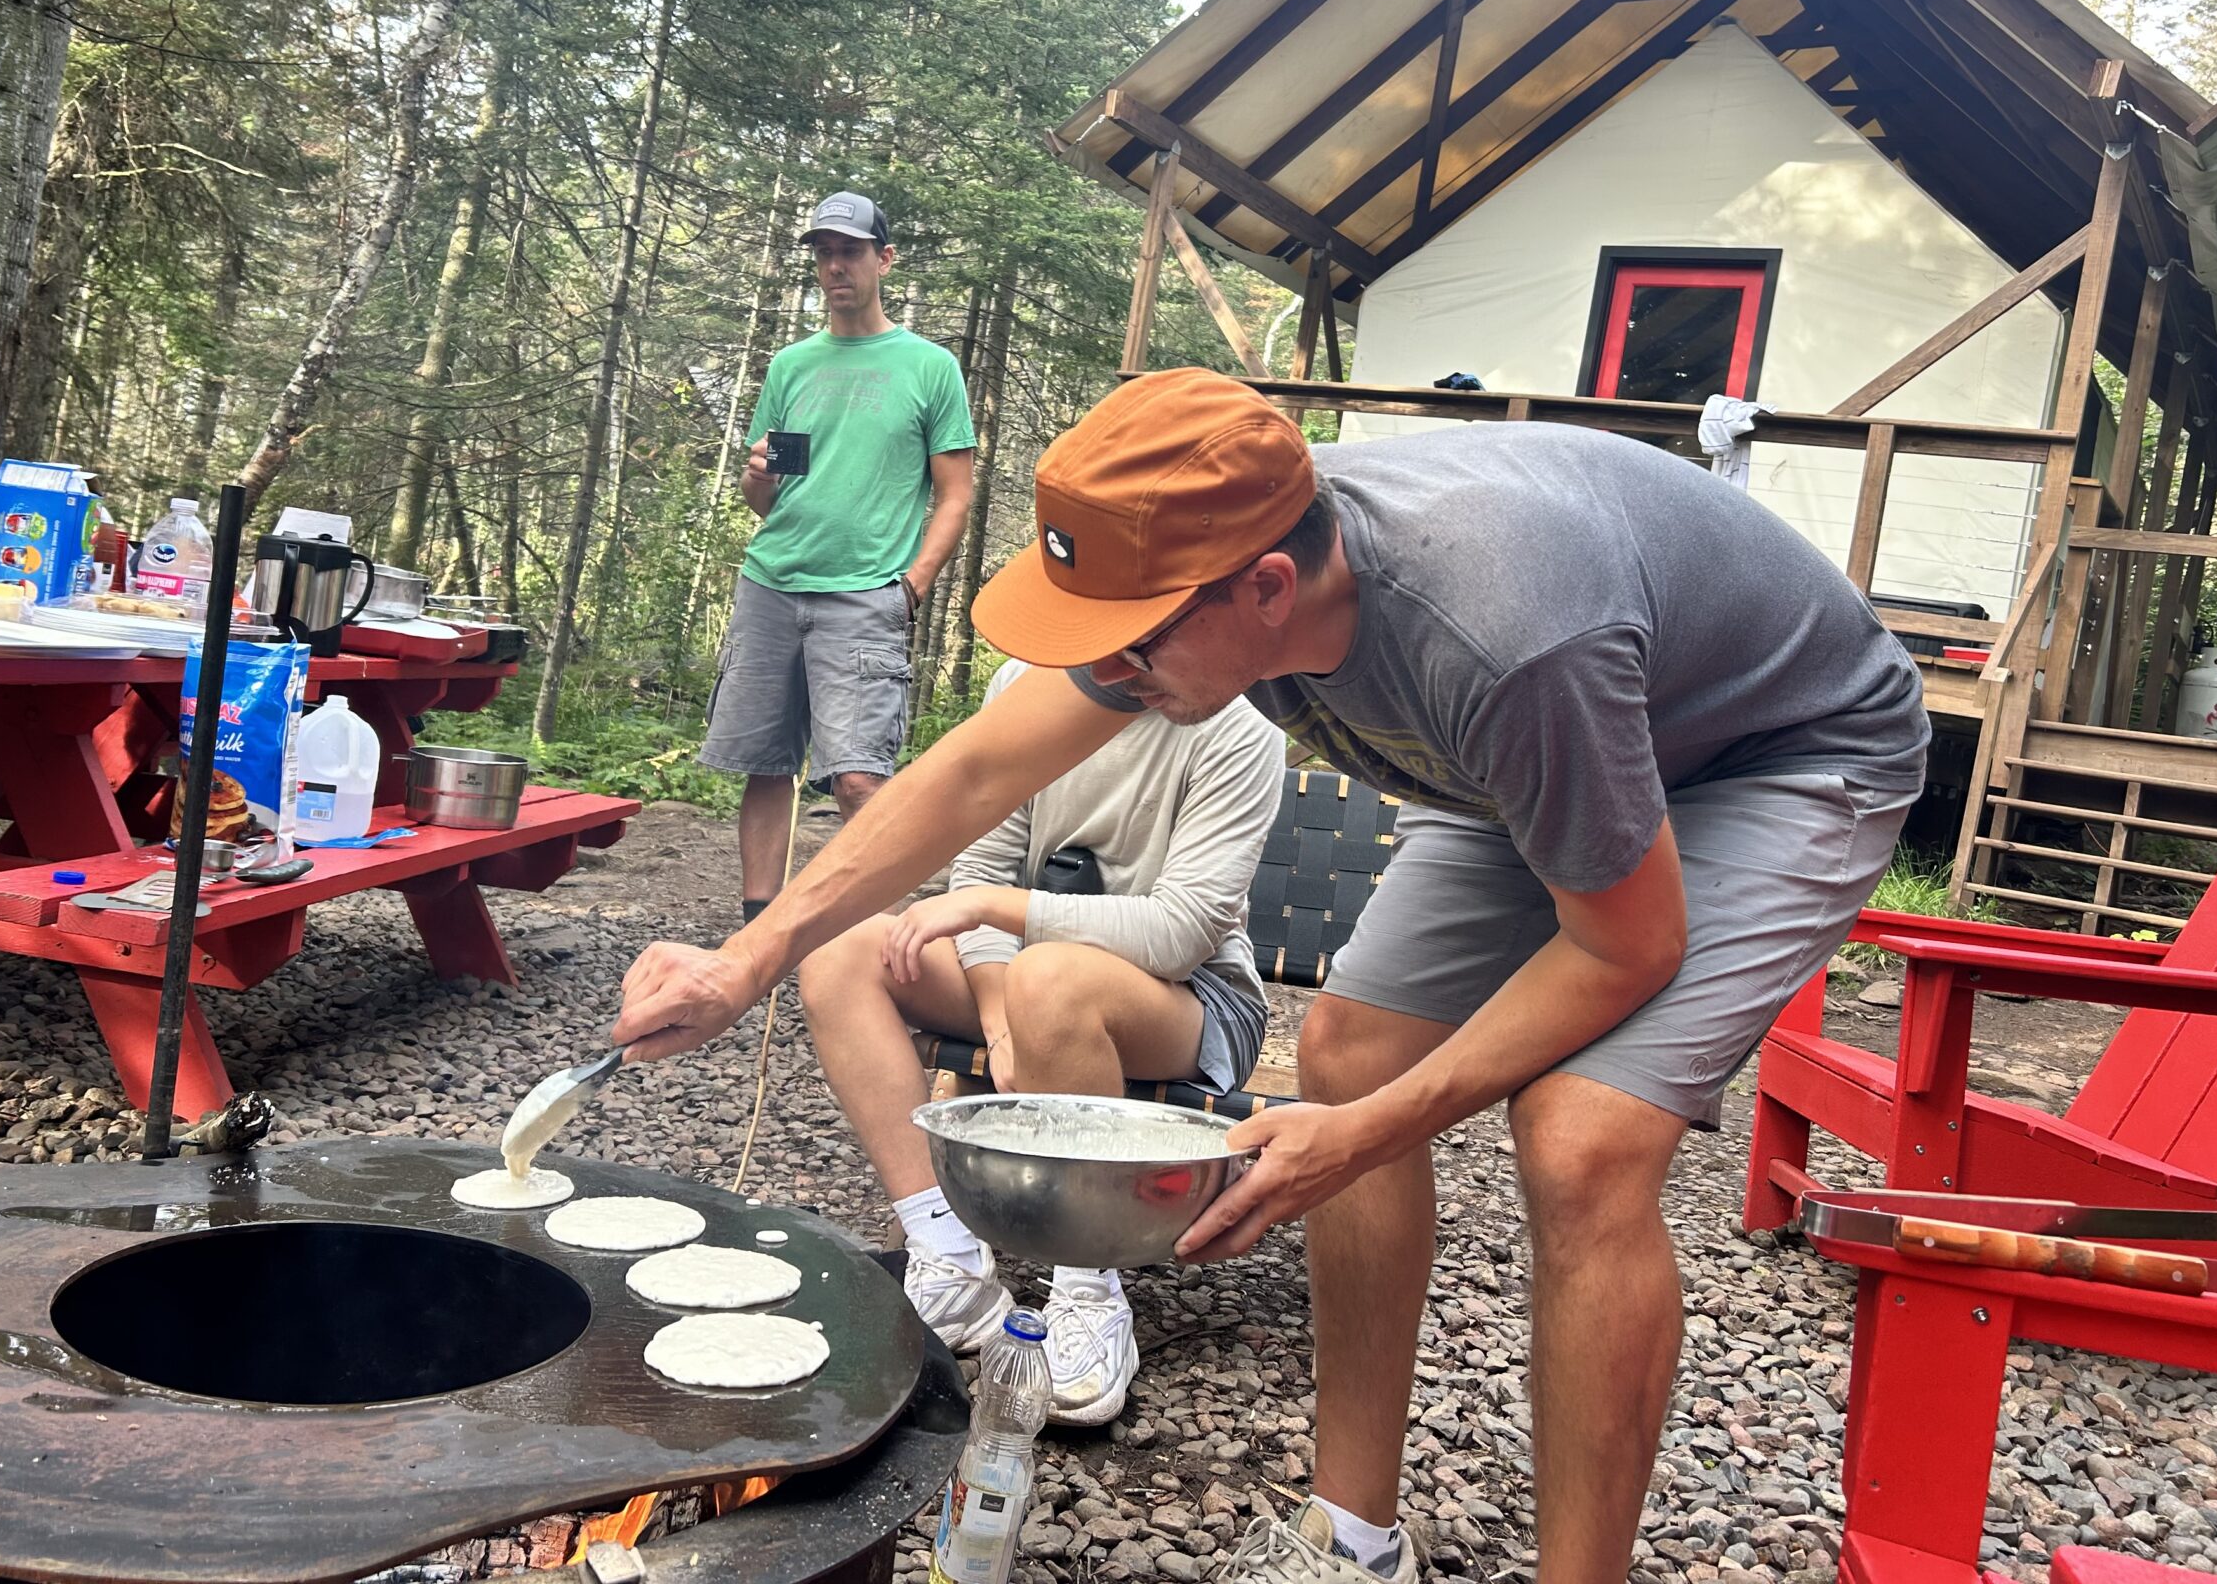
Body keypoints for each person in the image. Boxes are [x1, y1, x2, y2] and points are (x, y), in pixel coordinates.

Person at [615, 368, 1927, 1583]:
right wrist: (747, 960)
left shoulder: (1507, 633)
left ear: (1265, 593)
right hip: (1529, 758)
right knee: (1352, 1051)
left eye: (1132, 646)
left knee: (1580, 1141)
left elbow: (1628, 945)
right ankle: (1351, 1537)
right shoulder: (1210, 564)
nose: (1107, 673)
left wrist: (1358, 1140)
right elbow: (966, 775)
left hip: (1779, 751)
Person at [798, 656, 1282, 1422]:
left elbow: (1180, 933)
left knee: (1051, 978)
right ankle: (948, 1260)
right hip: (1029, 979)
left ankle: (1089, 1293)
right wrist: (998, 1019)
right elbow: (981, 867)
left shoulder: (1236, 719)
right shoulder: (1027, 685)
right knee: (841, 956)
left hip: (1193, 1004)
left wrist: (1003, 919)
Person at [698, 190, 976, 922]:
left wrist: (911, 586)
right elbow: (775, 494)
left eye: (849, 251)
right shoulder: (794, 367)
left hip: (864, 597)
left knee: (858, 779)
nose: (834, 266)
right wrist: (757, 482)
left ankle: (874, 934)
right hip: (771, 584)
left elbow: (954, 494)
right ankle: (762, 926)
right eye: (823, 253)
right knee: (766, 766)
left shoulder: (928, 367)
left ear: (883, 259)